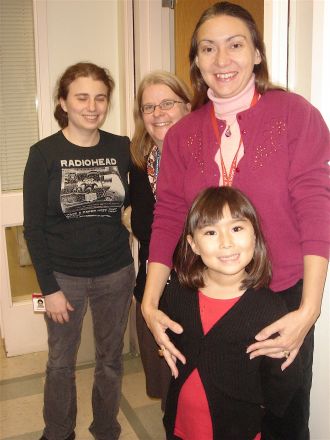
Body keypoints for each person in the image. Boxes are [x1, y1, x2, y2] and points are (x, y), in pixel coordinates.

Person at [141, 2, 329, 439]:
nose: (221, 60)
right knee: (202, 408)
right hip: (204, 300)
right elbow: (167, 217)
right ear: (197, 61)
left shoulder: (294, 115)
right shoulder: (183, 134)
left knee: (281, 417)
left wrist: (310, 308)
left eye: (235, 45)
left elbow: (316, 210)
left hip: (281, 298)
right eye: (208, 49)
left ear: (257, 54)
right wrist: (150, 302)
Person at [23, 62, 135, 440]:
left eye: (100, 97)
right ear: (63, 102)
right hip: (63, 278)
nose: (92, 106)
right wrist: (49, 288)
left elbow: (136, 206)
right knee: (60, 363)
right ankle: (58, 432)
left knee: (110, 359)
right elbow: (33, 228)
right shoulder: (43, 154)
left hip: (116, 272)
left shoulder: (122, 148)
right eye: (82, 97)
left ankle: (106, 429)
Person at [160, 186, 302, 440]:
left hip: (239, 430)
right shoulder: (178, 293)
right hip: (181, 425)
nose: (226, 242)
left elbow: (283, 384)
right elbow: (171, 341)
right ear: (193, 244)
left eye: (237, 228)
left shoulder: (270, 310)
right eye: (211, 232)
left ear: (255, 236)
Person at [130, 71, 191, 406]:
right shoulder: (138, 162)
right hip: (152, 291)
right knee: (167, 392)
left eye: (167, 103)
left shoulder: (210, 158)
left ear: (187, 105)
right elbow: (143, 224)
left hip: (198, 292)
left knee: (195, 389)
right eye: (148, 107)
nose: (158, 113)